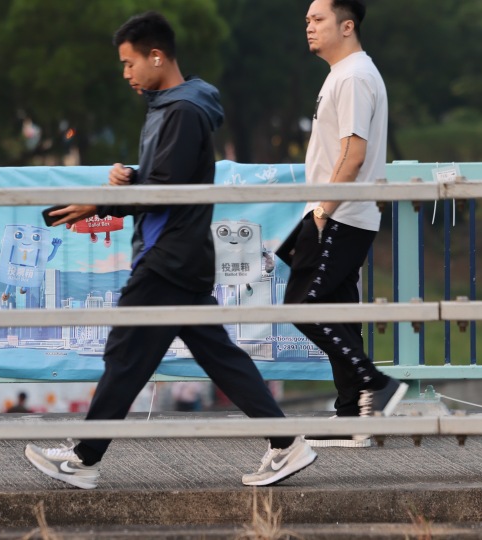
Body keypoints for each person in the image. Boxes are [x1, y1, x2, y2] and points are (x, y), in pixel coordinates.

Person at [24, 11, 316, 490]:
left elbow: (166, 191)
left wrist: (101, 202)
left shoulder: (181, 112)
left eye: (129, 62)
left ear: (156, 56)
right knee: (218, 356)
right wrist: (131, 179)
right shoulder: (173, 107)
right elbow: (169, 179)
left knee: (125, 353)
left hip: (168, 258)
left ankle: (83, 460)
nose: (126, 73)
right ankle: (287, 443)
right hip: (181, 256)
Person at [277, 0, 407, 448]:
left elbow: (353, 154)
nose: (309, 27)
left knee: (303, 306)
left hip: (340, 214)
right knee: (338, 310)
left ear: (347, 25)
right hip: (344, 212)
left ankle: (377, 384)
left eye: (318, 20)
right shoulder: (345, 73)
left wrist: (321, 212)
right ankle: (352, 414)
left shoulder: (353, 76)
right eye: (307, 21)